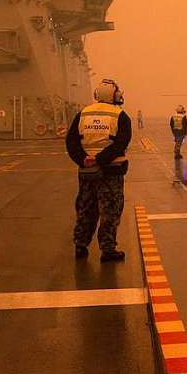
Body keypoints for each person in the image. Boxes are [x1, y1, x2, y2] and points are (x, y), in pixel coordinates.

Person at [66, 78, 131, 262]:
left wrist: (84, 159)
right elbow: (120, 144)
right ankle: (108, 249)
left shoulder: (82, 114)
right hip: (111, 171)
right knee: (110, 210)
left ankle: (80, 245)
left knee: (86, 208)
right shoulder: (120, 116)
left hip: (86, 172)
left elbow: (71, 142)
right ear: (114, 95)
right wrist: (100, 159)